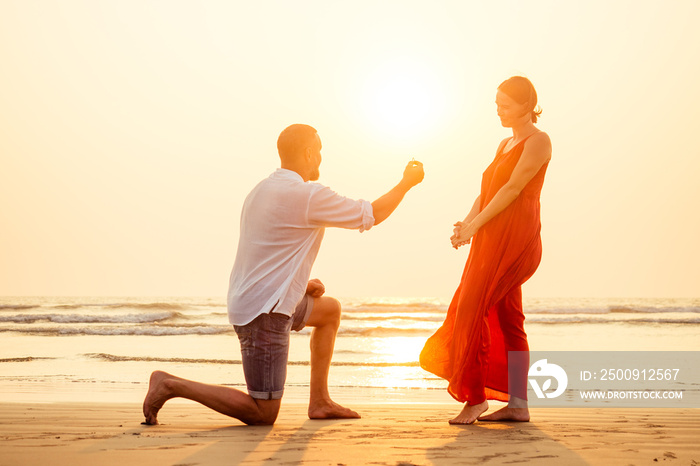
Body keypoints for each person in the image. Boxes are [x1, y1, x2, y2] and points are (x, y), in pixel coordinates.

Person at [143, 124, 424, 425]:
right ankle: (170, 384)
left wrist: (300, 286)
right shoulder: (307, 196)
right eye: (318, 151)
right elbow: (372, 214)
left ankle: (320, 402)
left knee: (329, 311)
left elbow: (268, 253)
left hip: (263, 300)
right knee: (263, 412)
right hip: (264, 313)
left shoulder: (260, 190)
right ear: (307, 153)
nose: (320, 158)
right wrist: (406, 183)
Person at [419, 76, 552, 424]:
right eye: (496, 104)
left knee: (470, 308)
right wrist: (467, 224)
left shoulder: (539, 142)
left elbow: (511, 189)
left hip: (515, 239)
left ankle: (476, 399)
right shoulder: (504, 144)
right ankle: (518, 405)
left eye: (505, 105)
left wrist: (476, 227)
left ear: (526, 105)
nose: (498, 110)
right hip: (489, 237)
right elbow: (488, 190)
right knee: (510, 319)